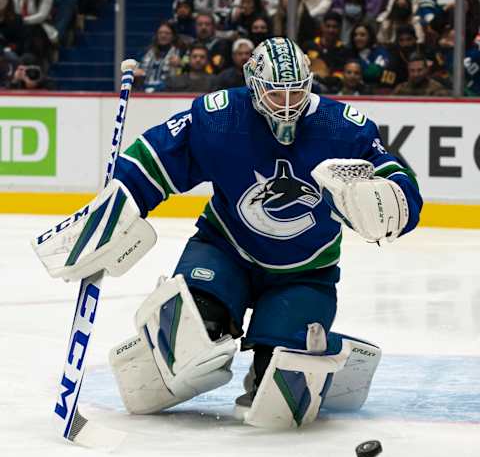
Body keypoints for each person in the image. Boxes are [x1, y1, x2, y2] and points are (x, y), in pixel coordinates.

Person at [33, 37, 422, 429]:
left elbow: (393, 177)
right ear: (253, 85)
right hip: (225, 250)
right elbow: (155, 156)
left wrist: (395, 200)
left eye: (296, 92)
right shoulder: (220, 117)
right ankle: (171, 346)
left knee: (283, 390)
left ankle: (330, 355)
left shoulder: (342, 129)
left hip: (306, 271)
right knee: (185, 342)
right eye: (275, 93)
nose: (287, 104)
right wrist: (117, 205)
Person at [134, 22, 184, 93]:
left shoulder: (180, 52)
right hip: (143, 90)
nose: (163, 35)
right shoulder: (146, 52)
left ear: (173, 36)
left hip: (168, 91)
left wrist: (180, 64)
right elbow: (137, 69)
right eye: (160, 33)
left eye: (167, 33)